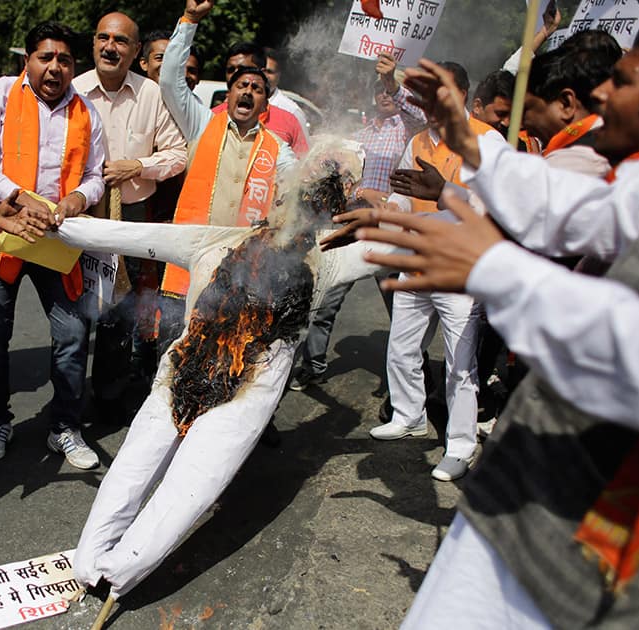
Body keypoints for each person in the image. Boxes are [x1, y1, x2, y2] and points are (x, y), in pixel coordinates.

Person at [347, 22, 639, 625]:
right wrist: (472, 144)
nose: (601, 95)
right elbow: (577, 213)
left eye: (625, 81)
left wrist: (495, 270)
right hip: (526, 488)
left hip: (604, 530)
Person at [0, 141, 381, 606]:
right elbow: (110, 233)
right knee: (134, 465)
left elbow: (425, 240)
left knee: (186, 491)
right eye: (286, 195)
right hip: (177, 377)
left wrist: (393, 215)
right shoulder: (212, 241)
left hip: (243, 401)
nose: (288, 206)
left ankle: (118, 576)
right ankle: (88, 561)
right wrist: (46, 219)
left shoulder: (329, 262)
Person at [0, 22, 106, 467]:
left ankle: (64, 426)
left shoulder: (86, 112)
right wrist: (21, 198)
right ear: (27, 60)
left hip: (57, 240)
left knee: (72, 334)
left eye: (64, 59)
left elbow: (96, 176)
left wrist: (78, 198)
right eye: (45, 57)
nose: (55, 67)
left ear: (73, 66)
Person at [372, 61, 504, 482]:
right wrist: (390, 208)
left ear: (462, 95)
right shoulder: (416, 141)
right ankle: (408, 415)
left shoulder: (487, 140)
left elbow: (493, 204)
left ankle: (461, 445)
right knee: (402, 347)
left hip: (460, 267)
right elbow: (404, 194)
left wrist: (445, 194)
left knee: (459, 362)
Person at [156, 0, 297, 355]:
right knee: (173, 355)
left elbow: (300, 185)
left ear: (266, 104)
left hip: (240, 277)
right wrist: (190, 20)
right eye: (241, 85)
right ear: (229, 93)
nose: (248, 91)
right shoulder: (202, 125)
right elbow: (170, 80)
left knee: (222, 361)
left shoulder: (277, 149)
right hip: (188, 266)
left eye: (257, 88)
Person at [72, 13, 188, 417]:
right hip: (78, 209)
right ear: (93, 44)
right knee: (73, 306)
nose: (110, 47)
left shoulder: (151, 95)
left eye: (121, 41)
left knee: (119, 308)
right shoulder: (73, 89)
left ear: (136, 51)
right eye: (103, 37)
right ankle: (69, 400)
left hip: (133, 212)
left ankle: (108, 396)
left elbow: (178, 154)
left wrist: (136, 166)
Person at [289, 51, 426, 391]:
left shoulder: (407, 130)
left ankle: (406, 382)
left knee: (402, 308)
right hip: (351, 227)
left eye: (390, 91)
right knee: (326, 299)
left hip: (391, 228)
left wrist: (390, 79)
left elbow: (417, 113)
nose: (384, 95)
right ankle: (314, 365)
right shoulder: (359, 136)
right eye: (379, 90)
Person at [524, 31, 622, 177]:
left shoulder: (571, 164)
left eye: (526, 109)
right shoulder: (619, 139)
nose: (524, 127)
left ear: (566, 104)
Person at [211, 41, 309, 155]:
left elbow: (304, 166)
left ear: (261, 73)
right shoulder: (211, 117)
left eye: (243, 69)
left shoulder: (289, 120)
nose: (236, 75)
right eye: (231, 70)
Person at [139, 30, 204, 92]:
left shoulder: (192, 103)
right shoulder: (133, 98)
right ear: (144, 63)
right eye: (160, 58)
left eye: (173, 58)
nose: (167, 64)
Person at [263, 47, 309, 133]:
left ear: (279, 76)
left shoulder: (292, 111)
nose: (264, 76)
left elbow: (302, 145)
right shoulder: (241, 104)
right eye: (261, 70)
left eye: (269, 72)